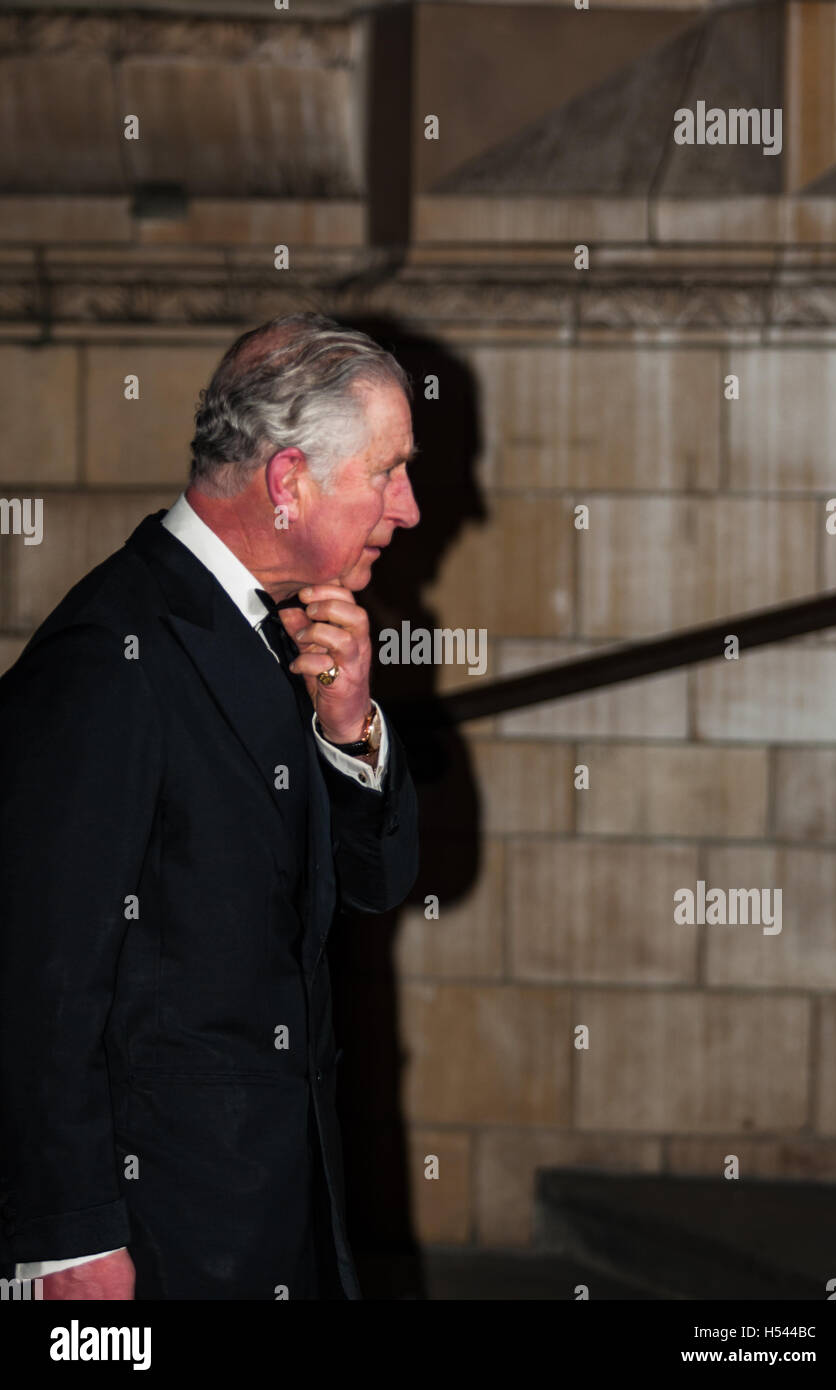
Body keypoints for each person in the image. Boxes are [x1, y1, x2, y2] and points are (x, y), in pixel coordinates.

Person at [0, 312, 421, 1300]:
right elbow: (35, 976)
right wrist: (69, 1243)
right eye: (386, 470)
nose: (406, 507)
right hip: (158, 1239)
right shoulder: (110, 655)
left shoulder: (283, 626)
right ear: (289, 482)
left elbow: (372, 884)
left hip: (273, 1207)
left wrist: (350, 731)